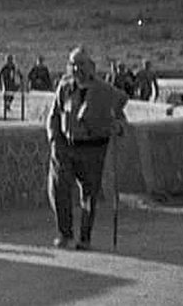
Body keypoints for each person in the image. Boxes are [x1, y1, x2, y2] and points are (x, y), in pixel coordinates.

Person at [46, 46, 128, 251]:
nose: (76, 68)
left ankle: (85, 237)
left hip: (93, 149)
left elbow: (121, 118)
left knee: (89, 196)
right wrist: (54, 139)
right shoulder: (64, 88)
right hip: (66, 146)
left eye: (81, 64)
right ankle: (64, 234)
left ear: (91, 66)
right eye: (72, 64)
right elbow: (54, 116)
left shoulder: (106, 91)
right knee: (59, 190)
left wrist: (118, 127)